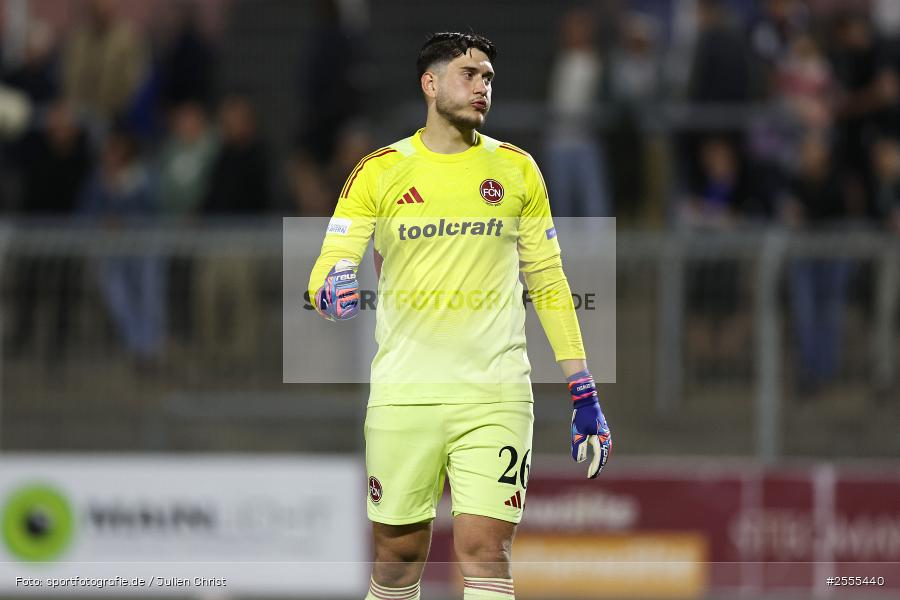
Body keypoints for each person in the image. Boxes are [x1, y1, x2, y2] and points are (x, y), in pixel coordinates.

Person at [307, 33, 611, 600]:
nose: (482, 87)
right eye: (470, 74)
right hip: (404, 393)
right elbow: (329, 265)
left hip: (494, 394)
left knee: (486, 554)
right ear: (430, 83)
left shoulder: (518, 170)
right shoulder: (380, 171)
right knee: (397, 561)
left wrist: (582, 387)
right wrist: (333, 286)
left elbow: (547, 280)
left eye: (489, 78)